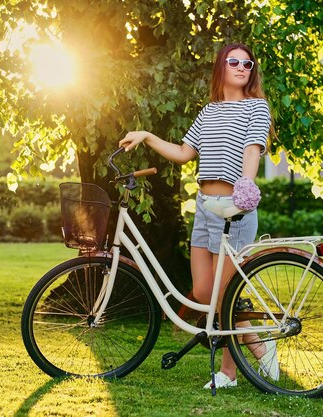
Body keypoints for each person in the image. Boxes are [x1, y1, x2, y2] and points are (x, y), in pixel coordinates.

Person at [119, 43, 278, 389]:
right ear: (221, 66)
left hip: (234, 209)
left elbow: (253, 149)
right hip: (206, 208)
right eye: (234, 61)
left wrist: (246, 186)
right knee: (205, 294)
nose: (241, 67)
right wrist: (146, 135)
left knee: (225, 296)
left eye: (247, 64)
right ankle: (262, 348)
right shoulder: (209, 112)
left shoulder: (257, 107)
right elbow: (183, 152)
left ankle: (229, 374)